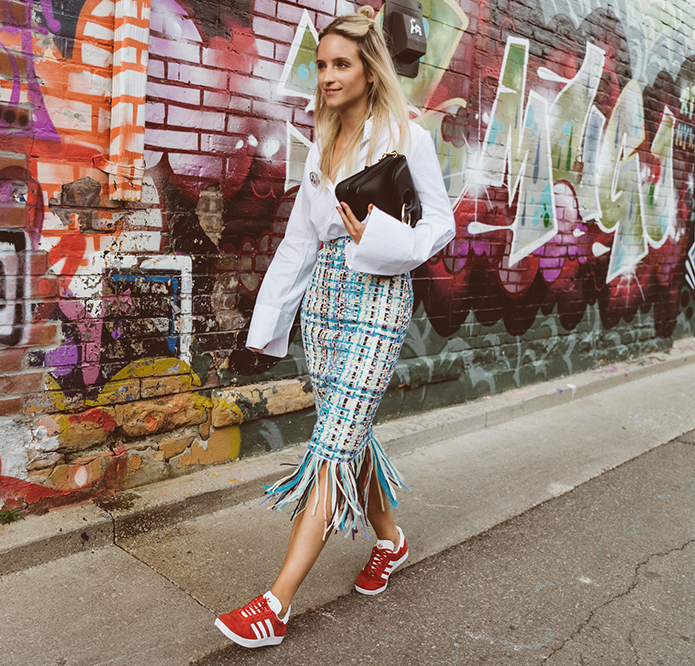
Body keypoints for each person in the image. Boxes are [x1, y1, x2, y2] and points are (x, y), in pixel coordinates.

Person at [213, 5, 456, 648]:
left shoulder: (407, 135)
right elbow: (297, 245)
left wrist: (377, 236)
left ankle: (276, 603)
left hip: (378, 296)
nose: (326, 75)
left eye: (340, 64)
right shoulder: (323, 144)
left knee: (331, 443)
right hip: (323, 299)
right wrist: (264, 331)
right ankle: (392, 539)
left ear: (370, 71)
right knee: (349, 431)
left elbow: (441, 225)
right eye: (320, 64)